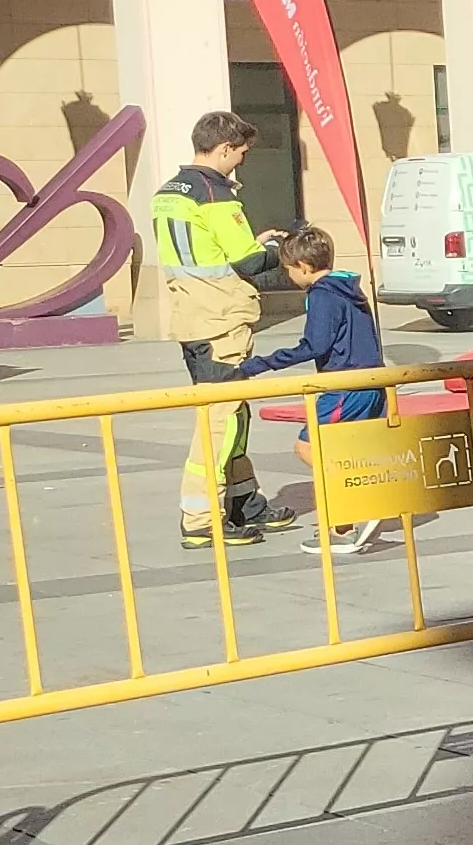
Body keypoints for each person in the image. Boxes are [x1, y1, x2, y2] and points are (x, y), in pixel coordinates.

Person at [153, 111, 301, 549]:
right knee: (220, 420)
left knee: (232, 414)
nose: (240, 162)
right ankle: (201, 517)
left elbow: (205, 249)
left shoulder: (169, 193)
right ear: (222, 149)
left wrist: (251, 240)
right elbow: (251, 262)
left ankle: (243, 502)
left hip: (192, 315)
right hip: (221, 320)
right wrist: (276, 247)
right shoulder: (215, 194)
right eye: (239, 153)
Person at [233, 227, 389, 555]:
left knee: (309, 448)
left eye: (288, 270)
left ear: (303, 266)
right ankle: (343, 524)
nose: (288, 276)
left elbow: (314, 345)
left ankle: (358, 504)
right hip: (370, 382)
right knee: (344, 451)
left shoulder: (322, 294)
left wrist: (260, 364)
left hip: (344, 387)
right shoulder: (349, 289)